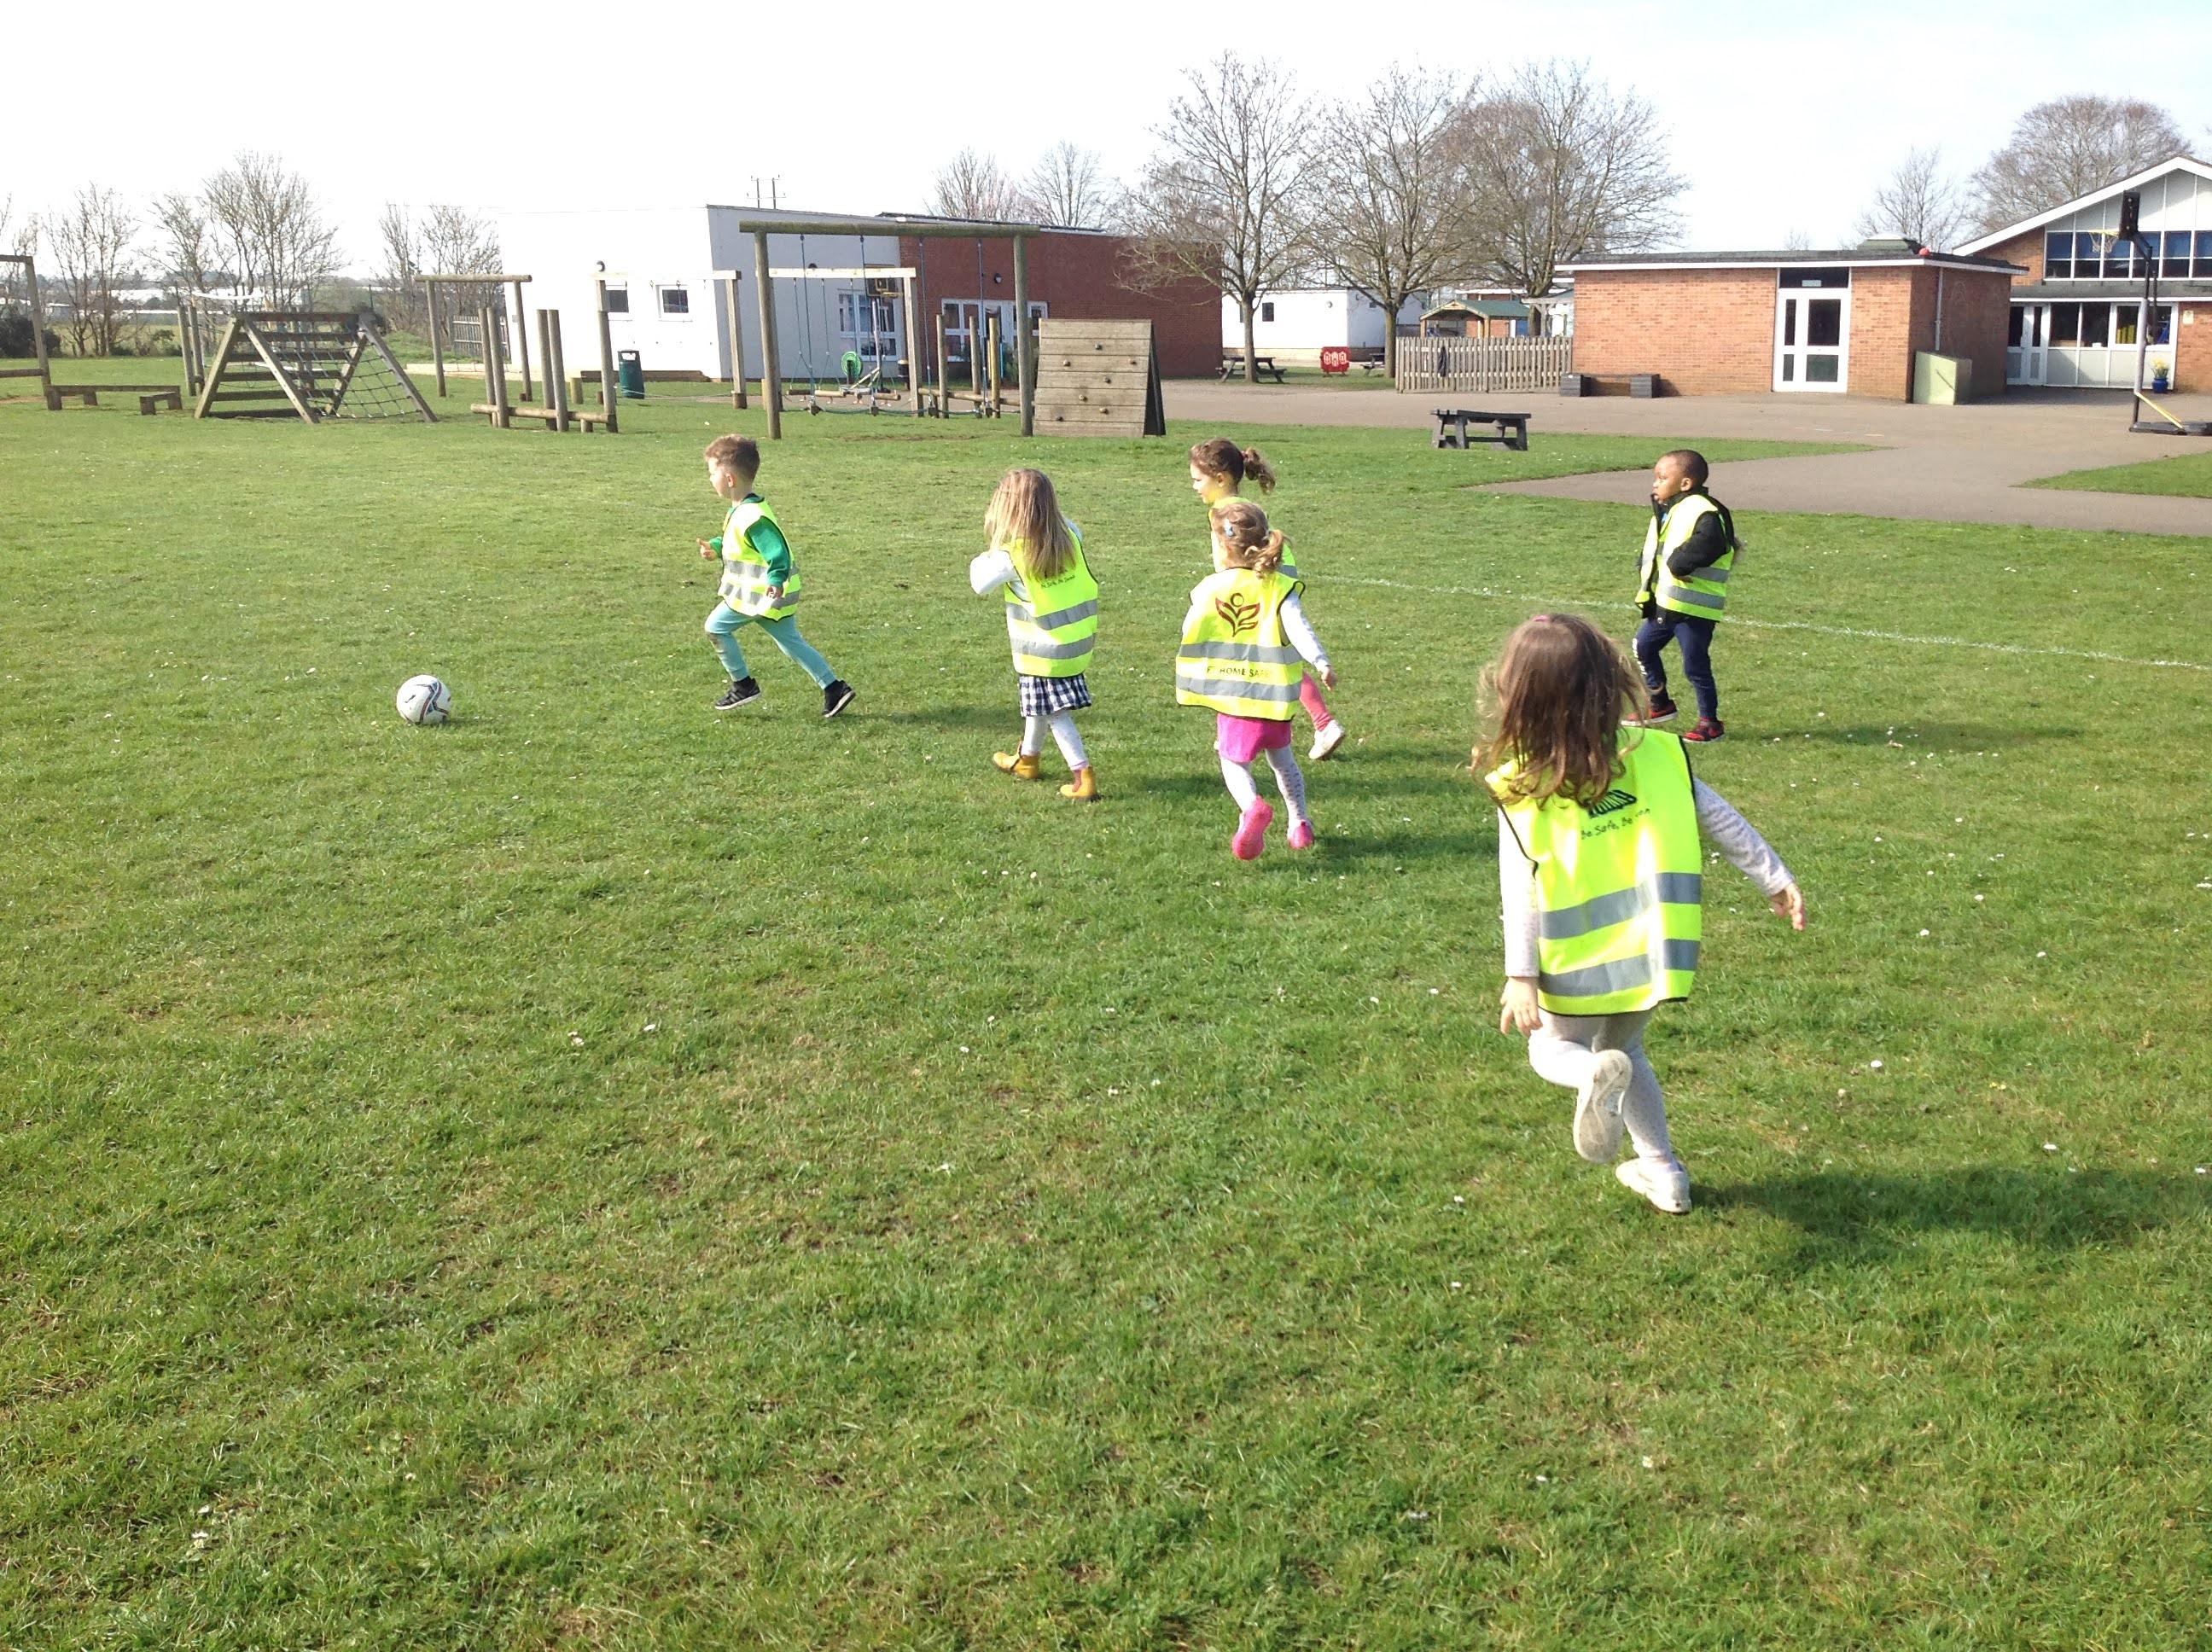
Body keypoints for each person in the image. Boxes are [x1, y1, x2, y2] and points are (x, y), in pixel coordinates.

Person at [1479, 614, 1805, 1213]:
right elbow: (1720, 818)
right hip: (1652, 954)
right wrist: (1774, 877)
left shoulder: (1523, 786)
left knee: (1553, 1051)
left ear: (1519, 696)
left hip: (1573, 962)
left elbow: (1518, 886)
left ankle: (1588, 1076)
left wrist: (1520, 975)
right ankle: (1664, 1172)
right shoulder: (1657, 754)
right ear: (1609, 683)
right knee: (1628, 1055)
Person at [1175, 499, 1336, 860]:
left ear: (1223, 547)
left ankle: (1251, 808)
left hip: (1234, 695)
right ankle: (1300, 823)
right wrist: (1321, 662)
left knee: (1233, 761)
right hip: (1275, 698)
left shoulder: (1210, 588)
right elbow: (1299, 628)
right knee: (1284, 761)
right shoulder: (1279, 587)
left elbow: (1190, 627)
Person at [1186, 437, 1348, 762]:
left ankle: (1323, 724)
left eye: (1198, 480)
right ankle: (1243, 729)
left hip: (1265, 582)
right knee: (1269, 657)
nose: (1194, 487)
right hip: (1277, 574)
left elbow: (1229, 563)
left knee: (1263, 659)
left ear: (1221, 479)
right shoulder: (1239, 506)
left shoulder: (1224, 514)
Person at [695, 434, 855, 718]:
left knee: (716, 628)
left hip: (759, 594)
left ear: (729, 479)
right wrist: (717, 548)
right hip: (767, 595)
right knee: (791, 643)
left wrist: (776, 579)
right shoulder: (743, 510)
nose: (710, 479)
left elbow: (776, 551)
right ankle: (835, 688)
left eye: (712, 473)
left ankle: (744, 685)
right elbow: (741, 544)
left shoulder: (752, 516)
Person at [968, 467, 1099, 801]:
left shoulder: (1011, 556)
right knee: (1037, 704)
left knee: (1055, 712)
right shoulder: (1070, 536)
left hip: (1042, 650)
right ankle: (1028, 759)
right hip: (1074, 643)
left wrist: (990, 552)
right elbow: (1066, 525)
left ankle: (1083, 775)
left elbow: (978, 583)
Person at [1630, 448, 1737, 742]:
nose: (1655, 484)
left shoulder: (1704, 510)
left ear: (1686, 483)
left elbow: (1712, 542)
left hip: (1693, 608)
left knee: (1695, 665)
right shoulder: (1670, 509)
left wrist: (1680, 564)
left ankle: (1710, 722)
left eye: (1662, 478)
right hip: (1666, 603)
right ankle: (1660, 703)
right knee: (1643, 647)